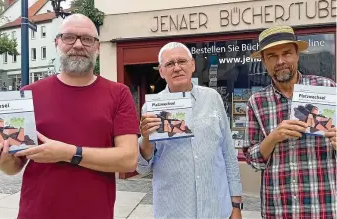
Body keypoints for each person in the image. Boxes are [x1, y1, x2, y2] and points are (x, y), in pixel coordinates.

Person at [0, 14, 140, 219]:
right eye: (69, 37)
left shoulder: (118, 94)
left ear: (98, 47)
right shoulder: (29, 94)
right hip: (36, 212)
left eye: (87, 39)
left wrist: (68, 153)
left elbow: (129, 159)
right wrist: (2, 158)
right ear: (57, 42)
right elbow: (14, 166)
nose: (78, 45)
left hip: (94, 213)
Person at [137, 42, 243, 219]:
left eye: (182, 61)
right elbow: (143, 168)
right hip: (174, 211)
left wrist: (236, 204)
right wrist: (146, 138)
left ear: (192, 65)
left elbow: (228, 153)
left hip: (216, 209)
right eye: (169, 64)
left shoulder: (212, 98)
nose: (177, 68)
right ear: (161, 71)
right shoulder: (151, 108)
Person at [243, 25, 336, 219]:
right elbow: (252, 158)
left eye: (286, 53)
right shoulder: (256, 102)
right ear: (263, 61)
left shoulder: (326, 88)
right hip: (278, 208)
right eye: (272, 56)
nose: (280, 61)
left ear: (297, 54)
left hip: (323, 206)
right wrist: (273, 138)